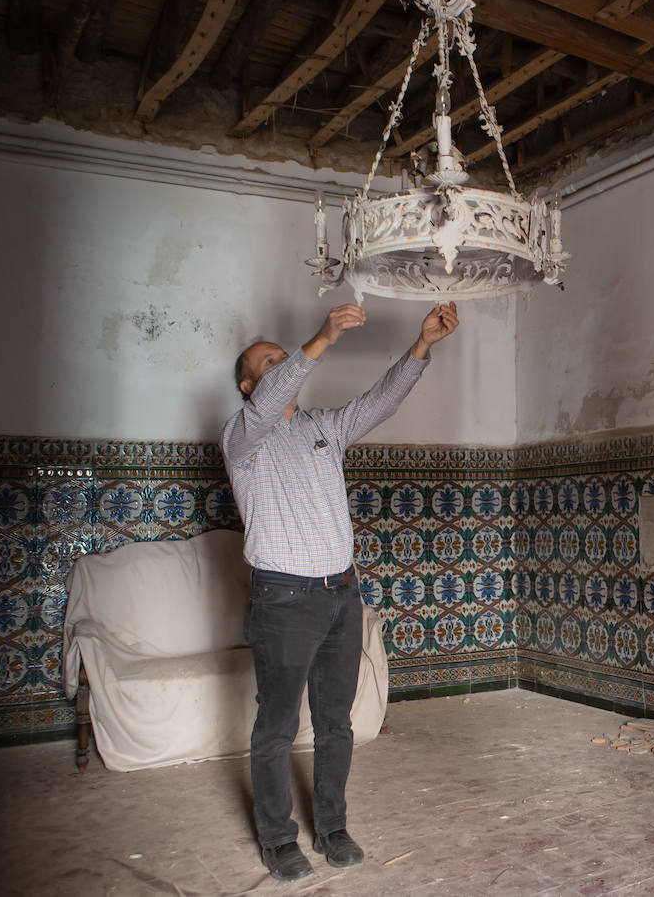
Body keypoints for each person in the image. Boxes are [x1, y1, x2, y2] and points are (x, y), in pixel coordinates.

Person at [222, 301, 459, 882]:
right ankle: (278, 839)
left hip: (341, 596)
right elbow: (275, 395)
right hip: (283, 600)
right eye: (270, 364)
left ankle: (332, 828)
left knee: (336, 722)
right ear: (249, 386)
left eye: (286, 359)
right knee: (277, 727)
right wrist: (321, 338)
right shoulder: (242, 437)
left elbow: (381, 401)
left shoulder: (324, 427)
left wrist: (422, 345)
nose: (285, 366)